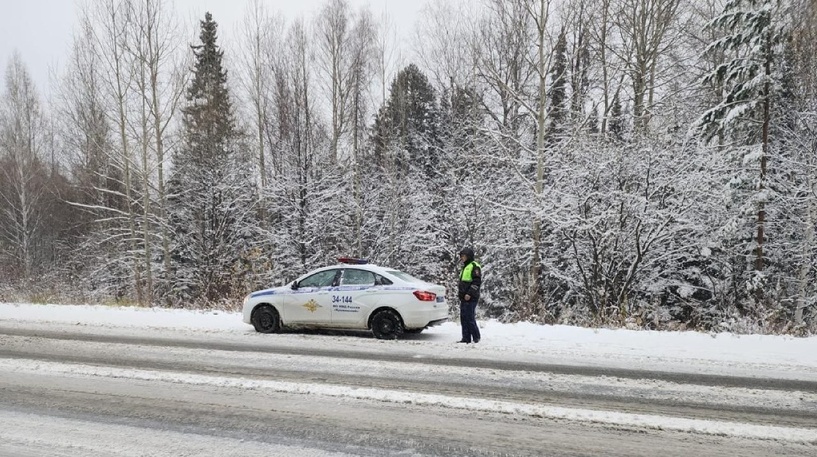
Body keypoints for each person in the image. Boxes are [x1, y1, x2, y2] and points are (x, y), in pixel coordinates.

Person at [457, 247, 481, 344]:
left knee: (470, 317)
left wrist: (469, 293)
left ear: (469, 256)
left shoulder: (474, 266)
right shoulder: (465, 267)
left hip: (471, 297)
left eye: (463, 256)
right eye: (461, 256)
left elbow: (476, 282)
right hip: (464, 297)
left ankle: (476, 337)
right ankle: (466, 338)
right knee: (463, 318)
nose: (462, 258)